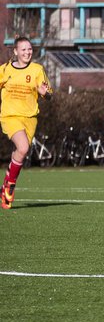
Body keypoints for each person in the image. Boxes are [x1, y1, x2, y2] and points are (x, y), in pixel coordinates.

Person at [0, 36, 53, 210]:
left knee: (21, 153)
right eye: (23, 49)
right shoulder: (5, 69)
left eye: (29, 49)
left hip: (30, 118)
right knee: (23, 147)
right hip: (10, 116)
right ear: (15, 52)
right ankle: (10, 187)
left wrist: (44, 93)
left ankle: (5, 185)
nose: (27, 52)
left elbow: (49, 94)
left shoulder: (38, 70)